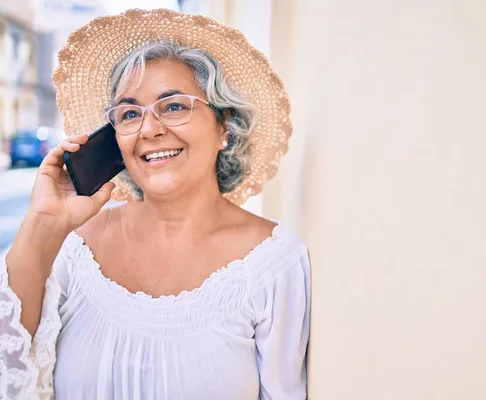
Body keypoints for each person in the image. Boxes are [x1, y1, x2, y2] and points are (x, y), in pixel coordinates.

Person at [0, 9, 310, 400]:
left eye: (174, 106)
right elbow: (10, 375)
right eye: (130, 114)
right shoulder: (74, 250)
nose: (149, 129)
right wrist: (45, 222)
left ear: (224, 128)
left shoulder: (273, 264)